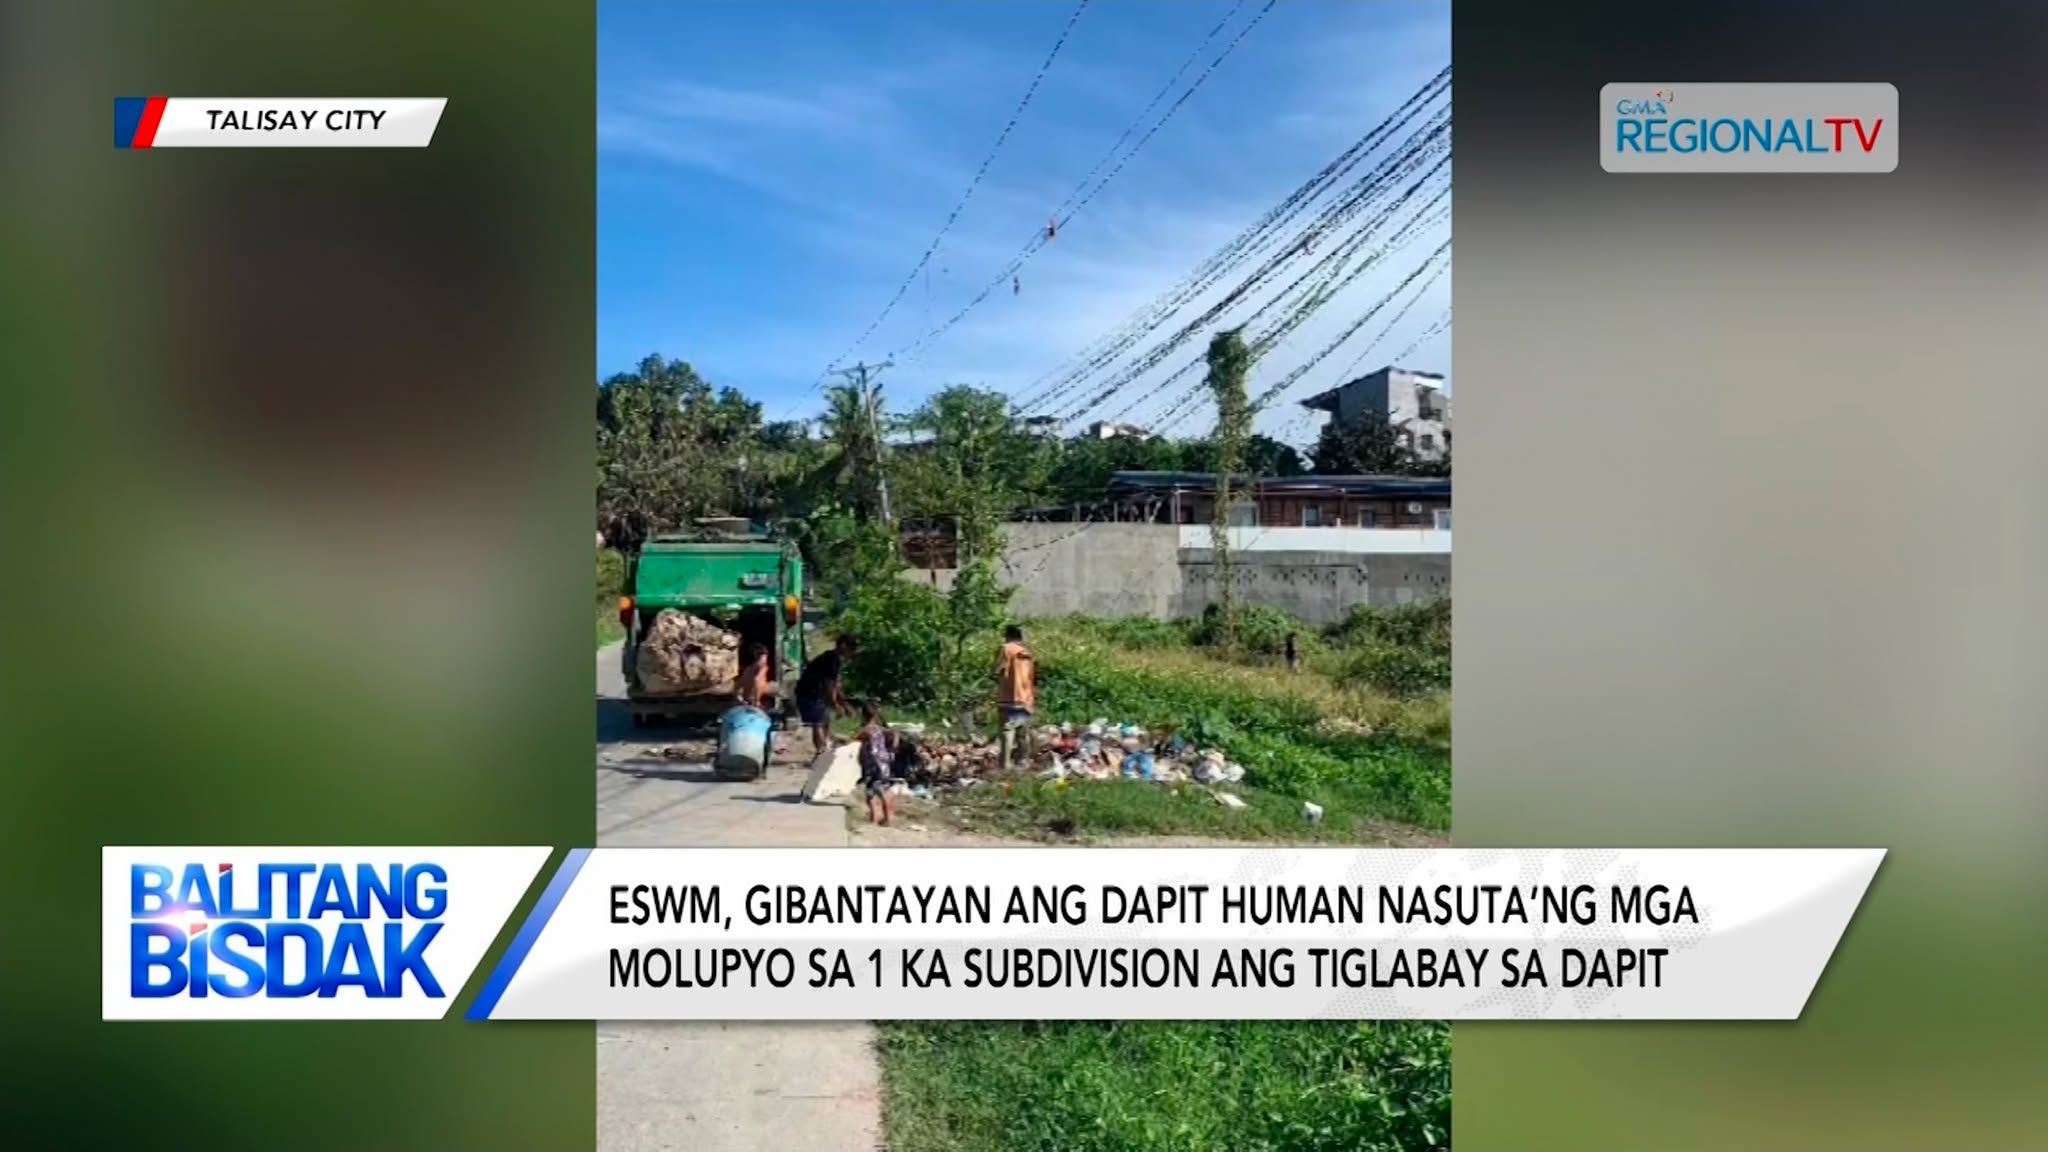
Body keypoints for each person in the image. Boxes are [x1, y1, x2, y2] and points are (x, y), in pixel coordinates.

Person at [795, 634, 857, 757]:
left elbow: (836, 685)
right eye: (852, 648)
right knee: (818, 722)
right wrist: (835, 704)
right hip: (809, 692)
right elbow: (830, 685)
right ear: (843, 646)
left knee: (825, 719)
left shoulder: (834, 659)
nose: (853, 652)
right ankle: (821, 751)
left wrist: (843, 703)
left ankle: (827, 745)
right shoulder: (832, 660)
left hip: (816, 692)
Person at [994, 624, 1036, 772]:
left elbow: (998, 669)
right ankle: (1023, 762)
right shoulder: (1026, 652)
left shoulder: (1006, 648)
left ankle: (1005, 765)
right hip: (1025, 698)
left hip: (1009, 696)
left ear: (1008, 635)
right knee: (1023, 732)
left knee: (1007, 730)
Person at [856, 700, 897, 826]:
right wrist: (892, 750)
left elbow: (853, 741)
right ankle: (888, 817)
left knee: (872, 792)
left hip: (872, 764)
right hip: (884, 762)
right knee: (884, 789)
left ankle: (876, 818)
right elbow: (895, 737)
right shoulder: (884, 730)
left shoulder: (866, 730)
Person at [736, 642, 772, 709]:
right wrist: (757, 701)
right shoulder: (763, 668)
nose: (766, 659)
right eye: (765, 657)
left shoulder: (748, 669)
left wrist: (739, 698)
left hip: (747, 698)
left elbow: (738, 686)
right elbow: (757, 682)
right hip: (754, 698)